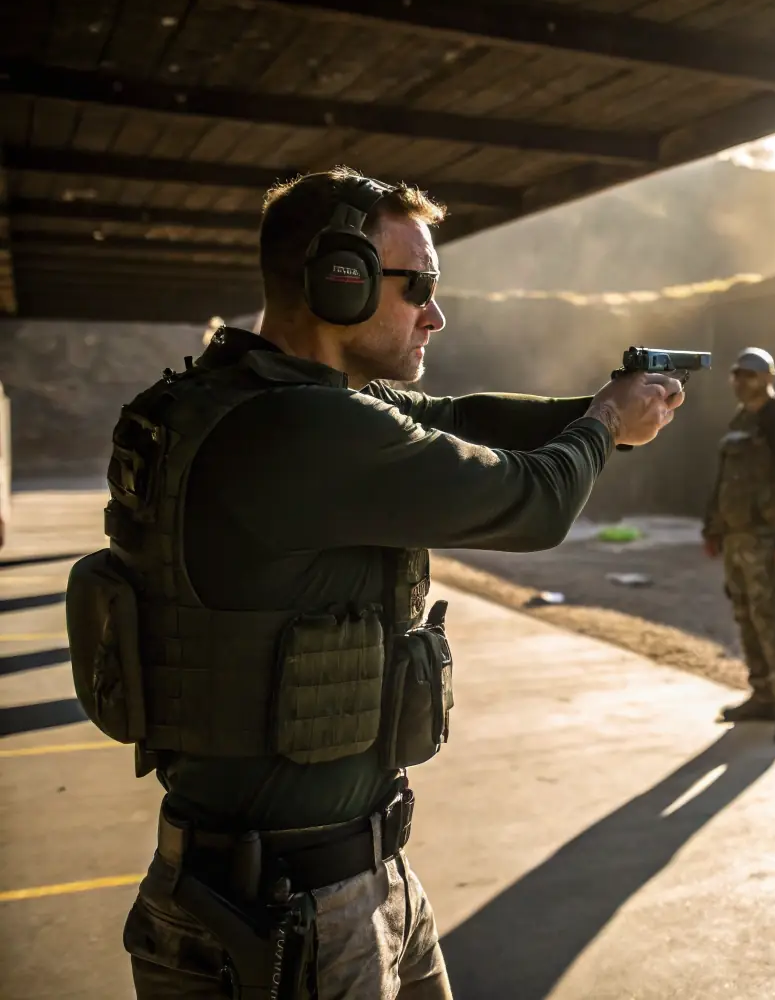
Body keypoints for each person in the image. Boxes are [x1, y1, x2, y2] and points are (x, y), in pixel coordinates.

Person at [64, 166, 684, 998]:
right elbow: (531, 505)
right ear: (338, 279)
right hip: (295, 912)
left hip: (334, 878)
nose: (434, 311)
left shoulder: (246, 399)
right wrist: (608, 424)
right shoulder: (304, 428)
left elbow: (458, 418)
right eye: (415, 284)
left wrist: (602, 404)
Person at [703, 347, 775, 744]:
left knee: (774, 620)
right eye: (737, 374)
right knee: (746, 616)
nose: (741, 381)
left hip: (769, 540)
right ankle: (763, 693)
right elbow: (724, 480)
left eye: (750, 375)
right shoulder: (740, 422)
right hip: (737, 539)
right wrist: (712, 527)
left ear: (769, 377)